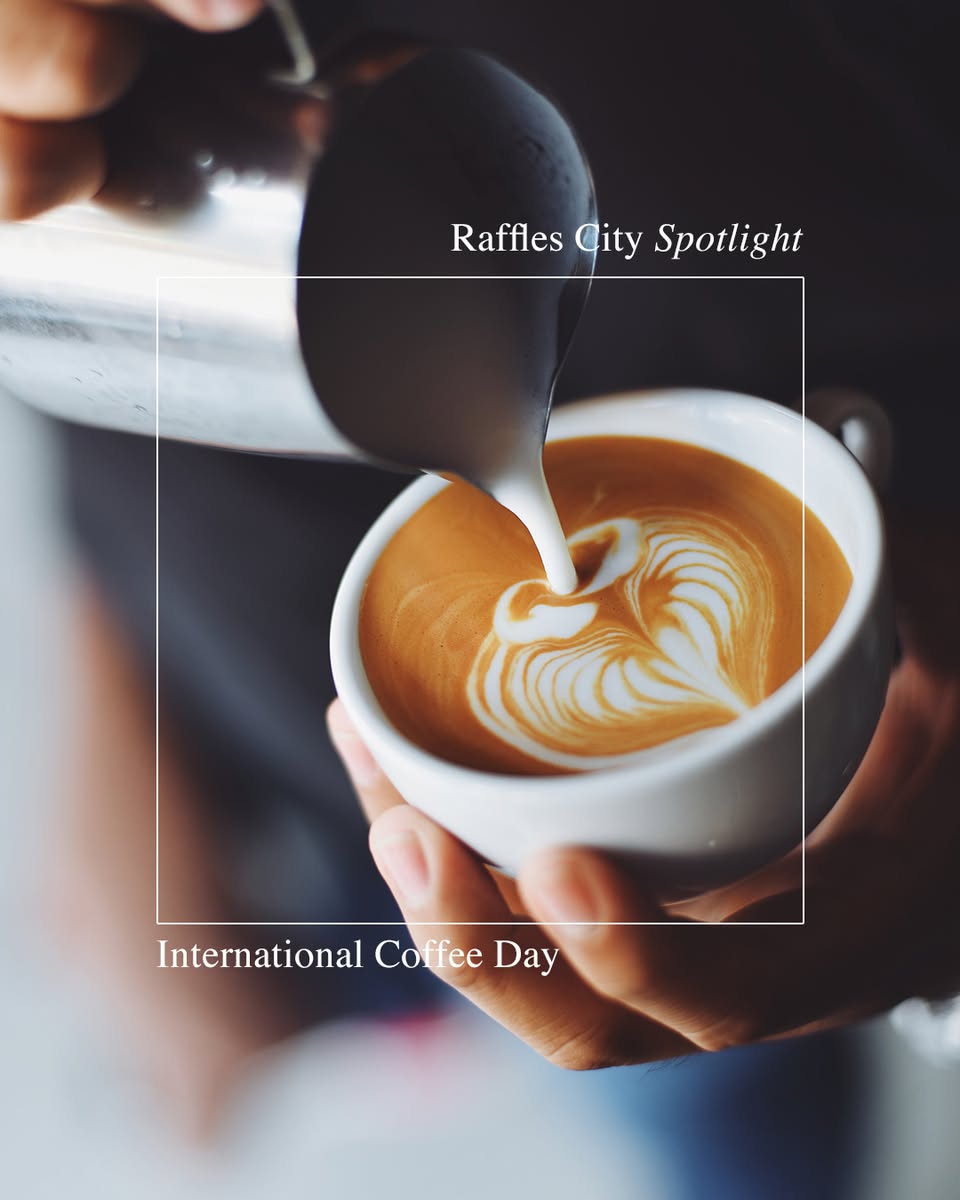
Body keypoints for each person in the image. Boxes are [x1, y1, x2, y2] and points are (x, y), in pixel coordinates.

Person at [3, 1, 958, 1194]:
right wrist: (111, 669)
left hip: (826, 825)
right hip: (264, 758)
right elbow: (89, 282)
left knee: (726, 1096)